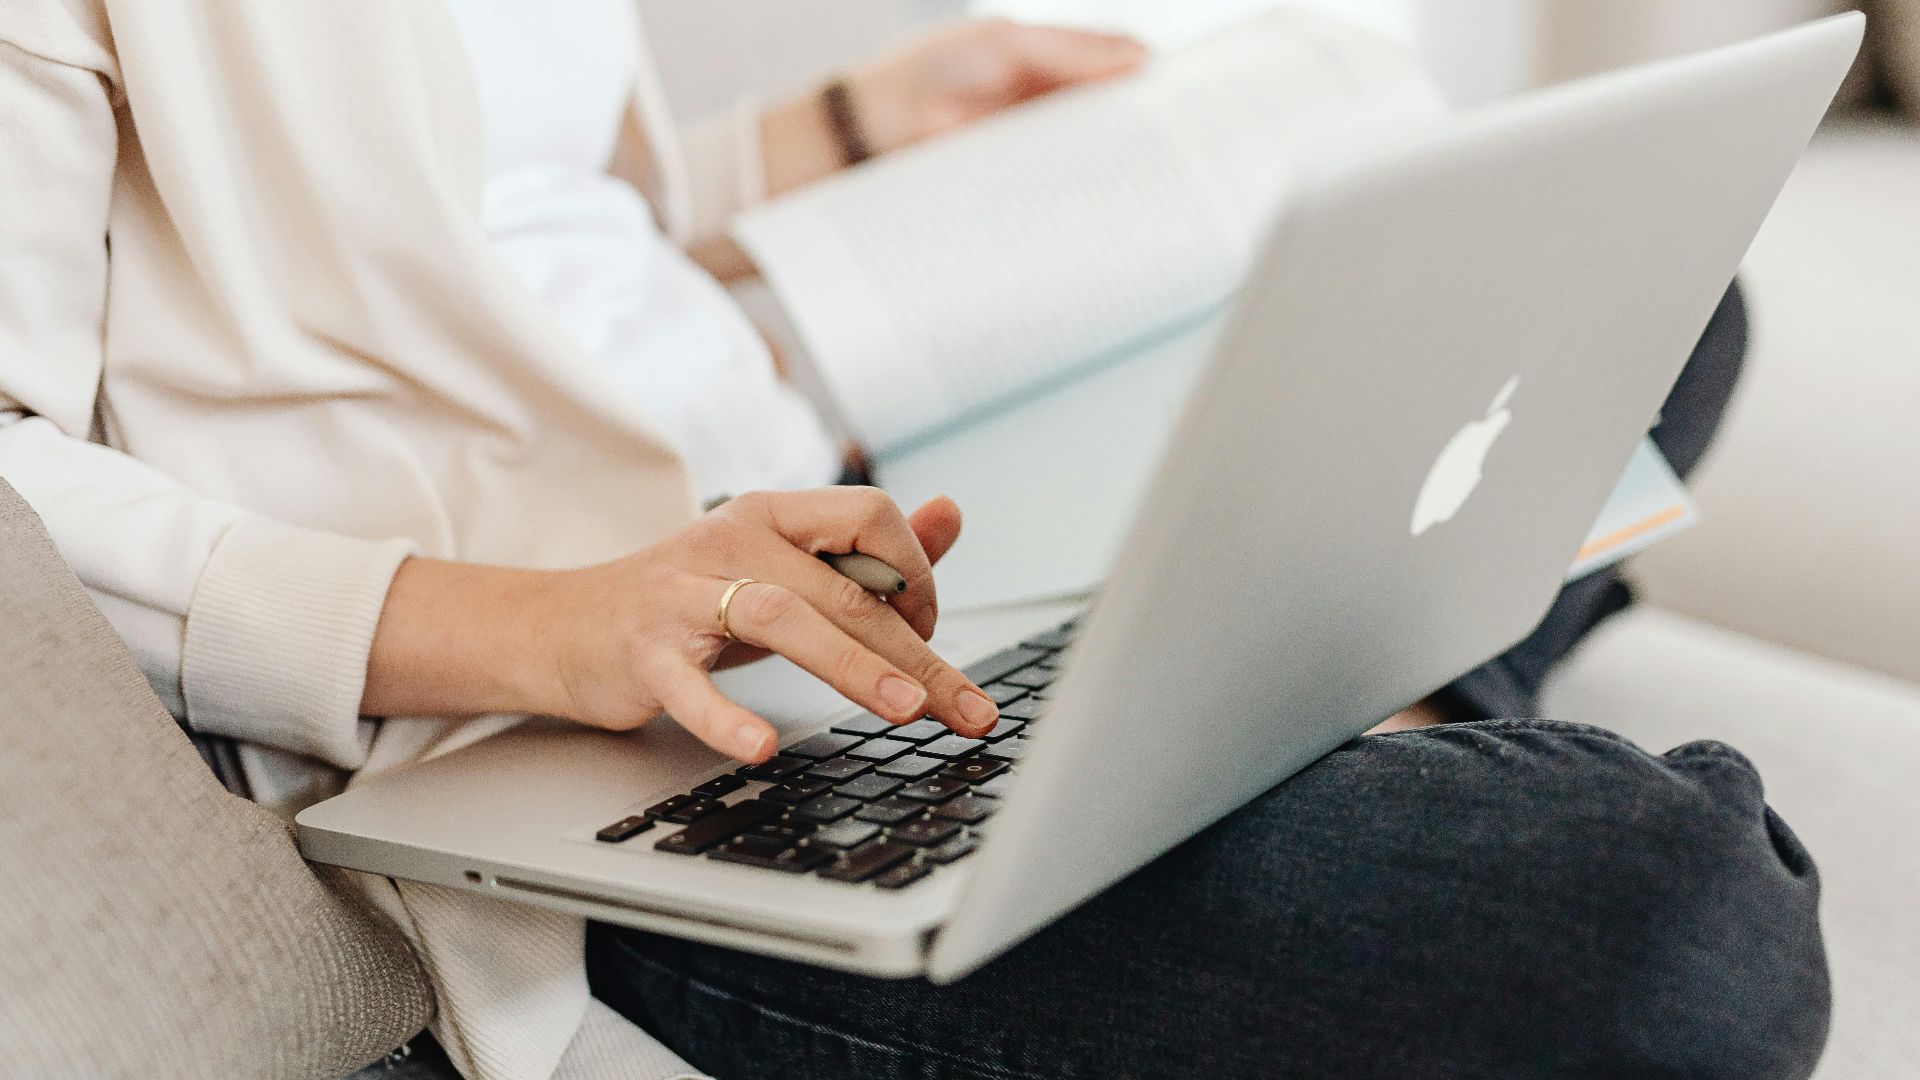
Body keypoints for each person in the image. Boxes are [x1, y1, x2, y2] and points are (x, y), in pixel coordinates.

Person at [0, 3, 1826, 1079]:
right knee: (1671, 915)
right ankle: (1346, 699)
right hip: (588, 745)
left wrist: (849, 126)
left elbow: (511, 217)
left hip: (845, 523)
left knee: (1643, 297)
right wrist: (543, 624)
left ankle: (1268, 697)